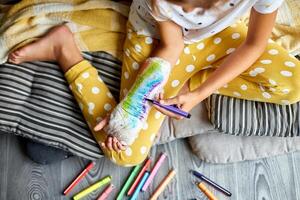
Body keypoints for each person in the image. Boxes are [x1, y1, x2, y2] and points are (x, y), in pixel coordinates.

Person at [8, 0, 300, 167]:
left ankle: (183, 85)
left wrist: (198, 92)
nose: (192, 9)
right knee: (126, 153)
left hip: (214, 36)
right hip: (158, 41)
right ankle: (64, 50)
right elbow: (171, 48)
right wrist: (131, 107)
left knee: (293, 85)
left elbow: (254, 44)